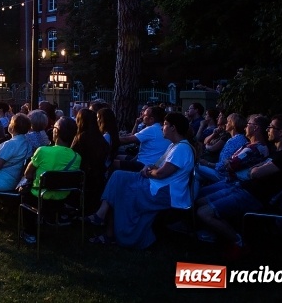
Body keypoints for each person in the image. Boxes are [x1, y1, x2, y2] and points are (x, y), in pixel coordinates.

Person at [85, 112, 195, 248]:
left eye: (165, 125)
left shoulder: (182, 149)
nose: (162, 128)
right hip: (156, 184)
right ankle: (101, 213)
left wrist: (147, 171)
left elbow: (161, 173)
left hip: (164, 192)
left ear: (173, 128)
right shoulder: (174, 145)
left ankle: (113, 235)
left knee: (120, 193)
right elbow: (157, 166)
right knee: (118, 176)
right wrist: (149, 167)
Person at [196, 114, 282, 255]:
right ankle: (215, 232)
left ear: (280, 132)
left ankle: (239, 242)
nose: (267, 130)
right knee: (199, 201)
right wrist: (256, 169)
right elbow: (253, 171)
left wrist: (255, 170)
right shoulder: (276, 153)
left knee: (203, 212)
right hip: (241, 187)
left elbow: (254, 173)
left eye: (271, 127)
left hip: (252, 196)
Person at [18, 116, 80, 243]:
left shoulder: (42, 151)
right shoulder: (76, 157)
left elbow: (28, 174)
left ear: (56, 131)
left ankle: (29, 232)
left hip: (39, 198)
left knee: (23, 192)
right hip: (62, 199)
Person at [71, 109, 110, 212]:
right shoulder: (101, 138)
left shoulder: (80, 138)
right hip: (99, 177)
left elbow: (72, 156)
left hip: (83, 176)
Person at [196, 113, 249, 184]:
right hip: (223, 173)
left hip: (223, 175)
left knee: (194, 167)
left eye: (228, 122)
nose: (226, 124)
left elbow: (223, 165)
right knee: (197, 177)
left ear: (233, 125)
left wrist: (207, 163)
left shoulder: (235, 141)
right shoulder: (237, 138)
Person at [114, 106, 170, 172]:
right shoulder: (160, 128)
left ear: (151, 119)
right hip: (151, 162)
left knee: (112, 163)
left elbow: (127, 140)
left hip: (144, 165)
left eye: (145, 115)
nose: (142, 116)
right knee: (118, 156)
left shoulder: (152, 129)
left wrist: (108, 140)